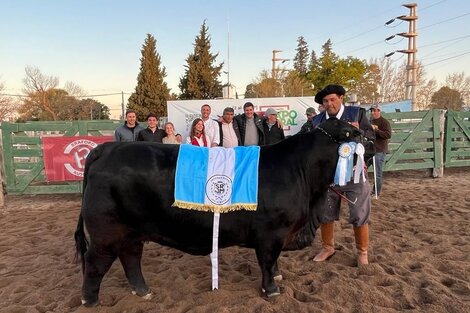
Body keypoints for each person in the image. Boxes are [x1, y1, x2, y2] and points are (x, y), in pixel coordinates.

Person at [311, 84, 375, 266]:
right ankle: (327, 247)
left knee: (359, 212)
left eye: (332, 99)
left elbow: (371, 141)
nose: (329, 104)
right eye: (325, 101)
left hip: (355, 175)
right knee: (325, 212)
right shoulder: (317, 121)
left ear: (341, 98)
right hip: (328, 177)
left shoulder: (357, 115)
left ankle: (362, 251)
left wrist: (358, 133)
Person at [369, 104, 391, 197]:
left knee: (377, 173)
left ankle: (376, 193)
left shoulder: (384, 122)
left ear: (379, 111)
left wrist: (376, 130)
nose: (373, 112)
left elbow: (388, 135)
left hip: (379, 151)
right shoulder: (369, 121)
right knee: (362, 170)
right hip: (369, 150)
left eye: (375, 110)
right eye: (372, 110)